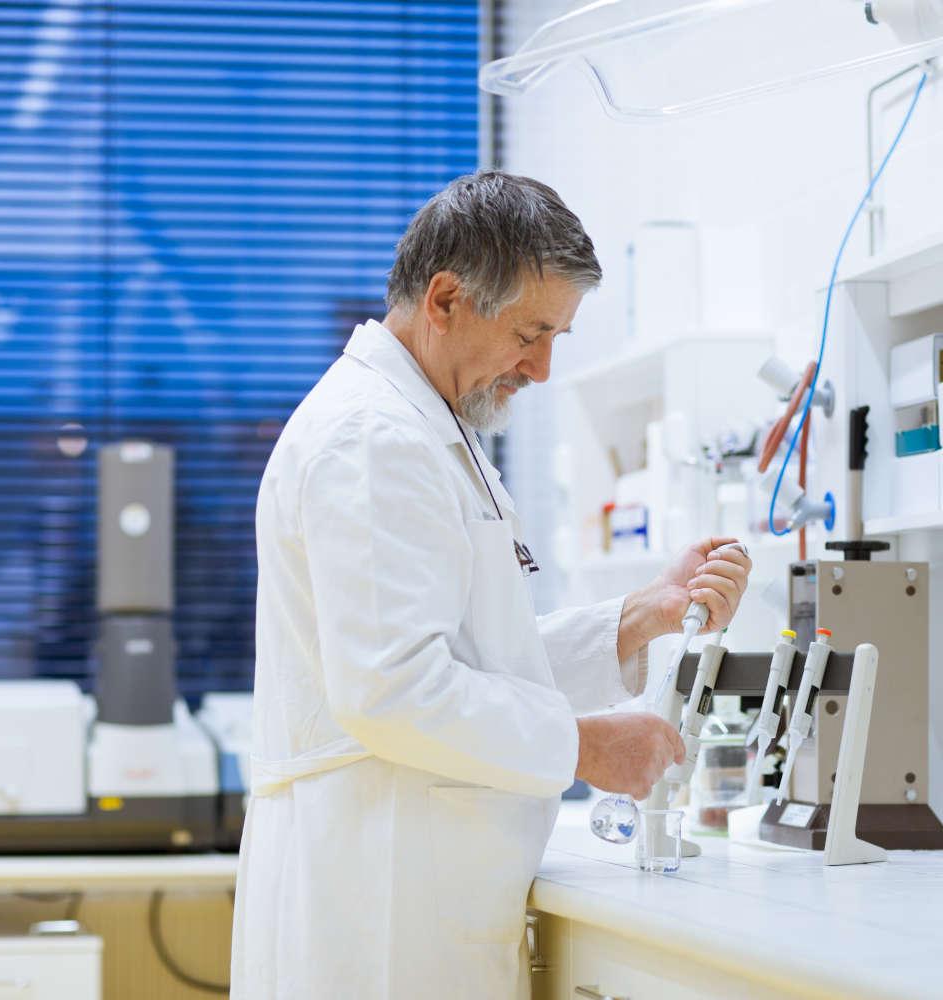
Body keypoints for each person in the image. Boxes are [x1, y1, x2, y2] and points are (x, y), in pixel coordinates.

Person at [230, 170, 751, 1000]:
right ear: (445, 299)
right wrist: (587, 746)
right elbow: (391, 690)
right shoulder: (373, 440)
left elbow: (467, 656)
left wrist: (639, 616)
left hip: (416, 882)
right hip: (379, 901)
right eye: (530, 332)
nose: (541, 368)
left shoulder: (427, 429)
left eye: (557, 338)